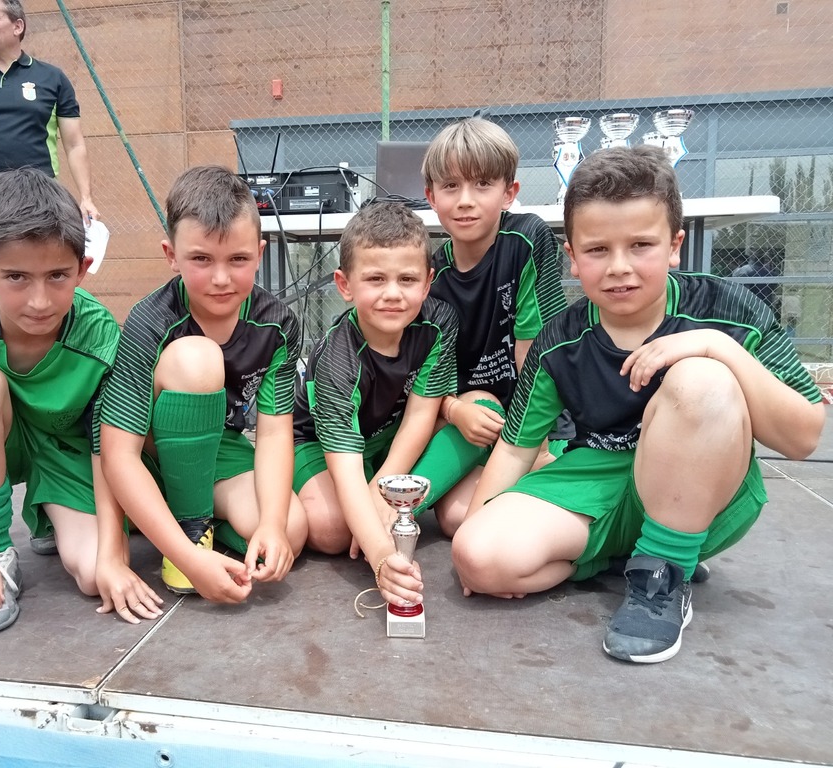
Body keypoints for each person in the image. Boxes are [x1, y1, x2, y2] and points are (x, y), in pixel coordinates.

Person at [452, 146, 826, 663]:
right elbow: (516, 449)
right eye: (598, 249)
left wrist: (717, 346)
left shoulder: (729, 310)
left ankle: (662, 575)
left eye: (641, 245)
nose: (619, 267)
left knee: (701, 379)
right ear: (572, 256)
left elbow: (803, 437)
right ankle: (622, 558)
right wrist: (472, 543)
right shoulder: (559, 339)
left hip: (700, 489)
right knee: (479, 556)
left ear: (675, 246)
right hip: (595, 482)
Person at [0, 168, 161, 635]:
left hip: (68, 452)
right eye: (16, 277)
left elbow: (106, 449)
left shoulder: (99, 334)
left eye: (57, 275)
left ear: (83, 267)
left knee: (93, 575)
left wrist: (111, 557)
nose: (40, 301)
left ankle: (49, 516)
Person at [97, 165, 307, 606]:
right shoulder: (150, 320)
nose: (221, 278)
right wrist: (189, 560)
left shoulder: (278, 324)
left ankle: (183, 517)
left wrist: (271, 524)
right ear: (171, 255)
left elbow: (273, 432)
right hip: (151, 452)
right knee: (198, 360)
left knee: (291, 529)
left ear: (259, 253)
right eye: (201, 260)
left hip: (218, 448)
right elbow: (118, 454)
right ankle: (190, 531)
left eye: (238, 260)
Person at [407, 117, 569, 535]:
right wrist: (453, 410)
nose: (466, 201)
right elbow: (428, 376)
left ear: (508, 193)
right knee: (455, 519)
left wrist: (537, 448)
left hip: (535, 422)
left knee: (474, 516)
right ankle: (397, 508)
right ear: (431, 196)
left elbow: (539, 352)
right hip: (471, 425)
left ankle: (395, 509)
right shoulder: (432, 278)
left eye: (482, 184)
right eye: (451, 186)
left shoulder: (527, 240)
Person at [292, 202, 457, 608]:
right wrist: (382, 558)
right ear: (345, 284)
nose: (393, 294)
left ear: (428, 282)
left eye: (407, 279)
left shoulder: (440, 323)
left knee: (477, 410)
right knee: (332, 531)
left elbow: (421, 415)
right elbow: (345, 466)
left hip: (384, 437)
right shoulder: (337, 358)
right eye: (376, 279)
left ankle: (398, 505)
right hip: (318, 445)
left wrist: (382, 493)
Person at [0, 0, 100, 308]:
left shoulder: (52, 78)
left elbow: (74, 143)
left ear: (17, 25)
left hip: (41, 196)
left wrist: (86, 197)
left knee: (48, 278)